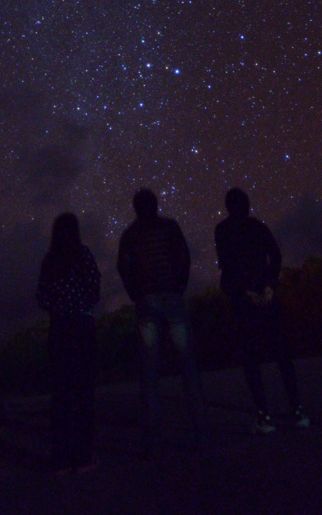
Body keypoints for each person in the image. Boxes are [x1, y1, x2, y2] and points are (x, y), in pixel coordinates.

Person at [117, 188, 205, 456]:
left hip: (147, 301)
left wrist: (136, 293)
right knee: (188, 364)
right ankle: (200, 432)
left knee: (149, 371)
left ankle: (153, 437)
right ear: (155, 204)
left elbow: (124, 267)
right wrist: (178, 287)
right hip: (171, 297)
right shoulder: (169, 227)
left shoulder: (130, 234)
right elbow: (183, 257)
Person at [215, 188, 309, 433]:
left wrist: (245, 292)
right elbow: (275, 256)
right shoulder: (258, 226)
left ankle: (264, 415)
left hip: (243, 300)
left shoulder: (223, 230)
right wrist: (268, 286)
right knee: (281, 354)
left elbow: (227, 265)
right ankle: (297, 410)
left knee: (251, 359)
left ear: (228, 206)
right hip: (266, 297)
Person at [36, 212, 101, 474]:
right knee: (83, 392)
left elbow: (41, 296)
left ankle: (61, 460)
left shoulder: (50, 261)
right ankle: (83, 458)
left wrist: (58, 308)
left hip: (59, 328)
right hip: (81, 326)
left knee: (62, 395)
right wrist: (82, 304)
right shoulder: (82, 254)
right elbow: (94, 285)